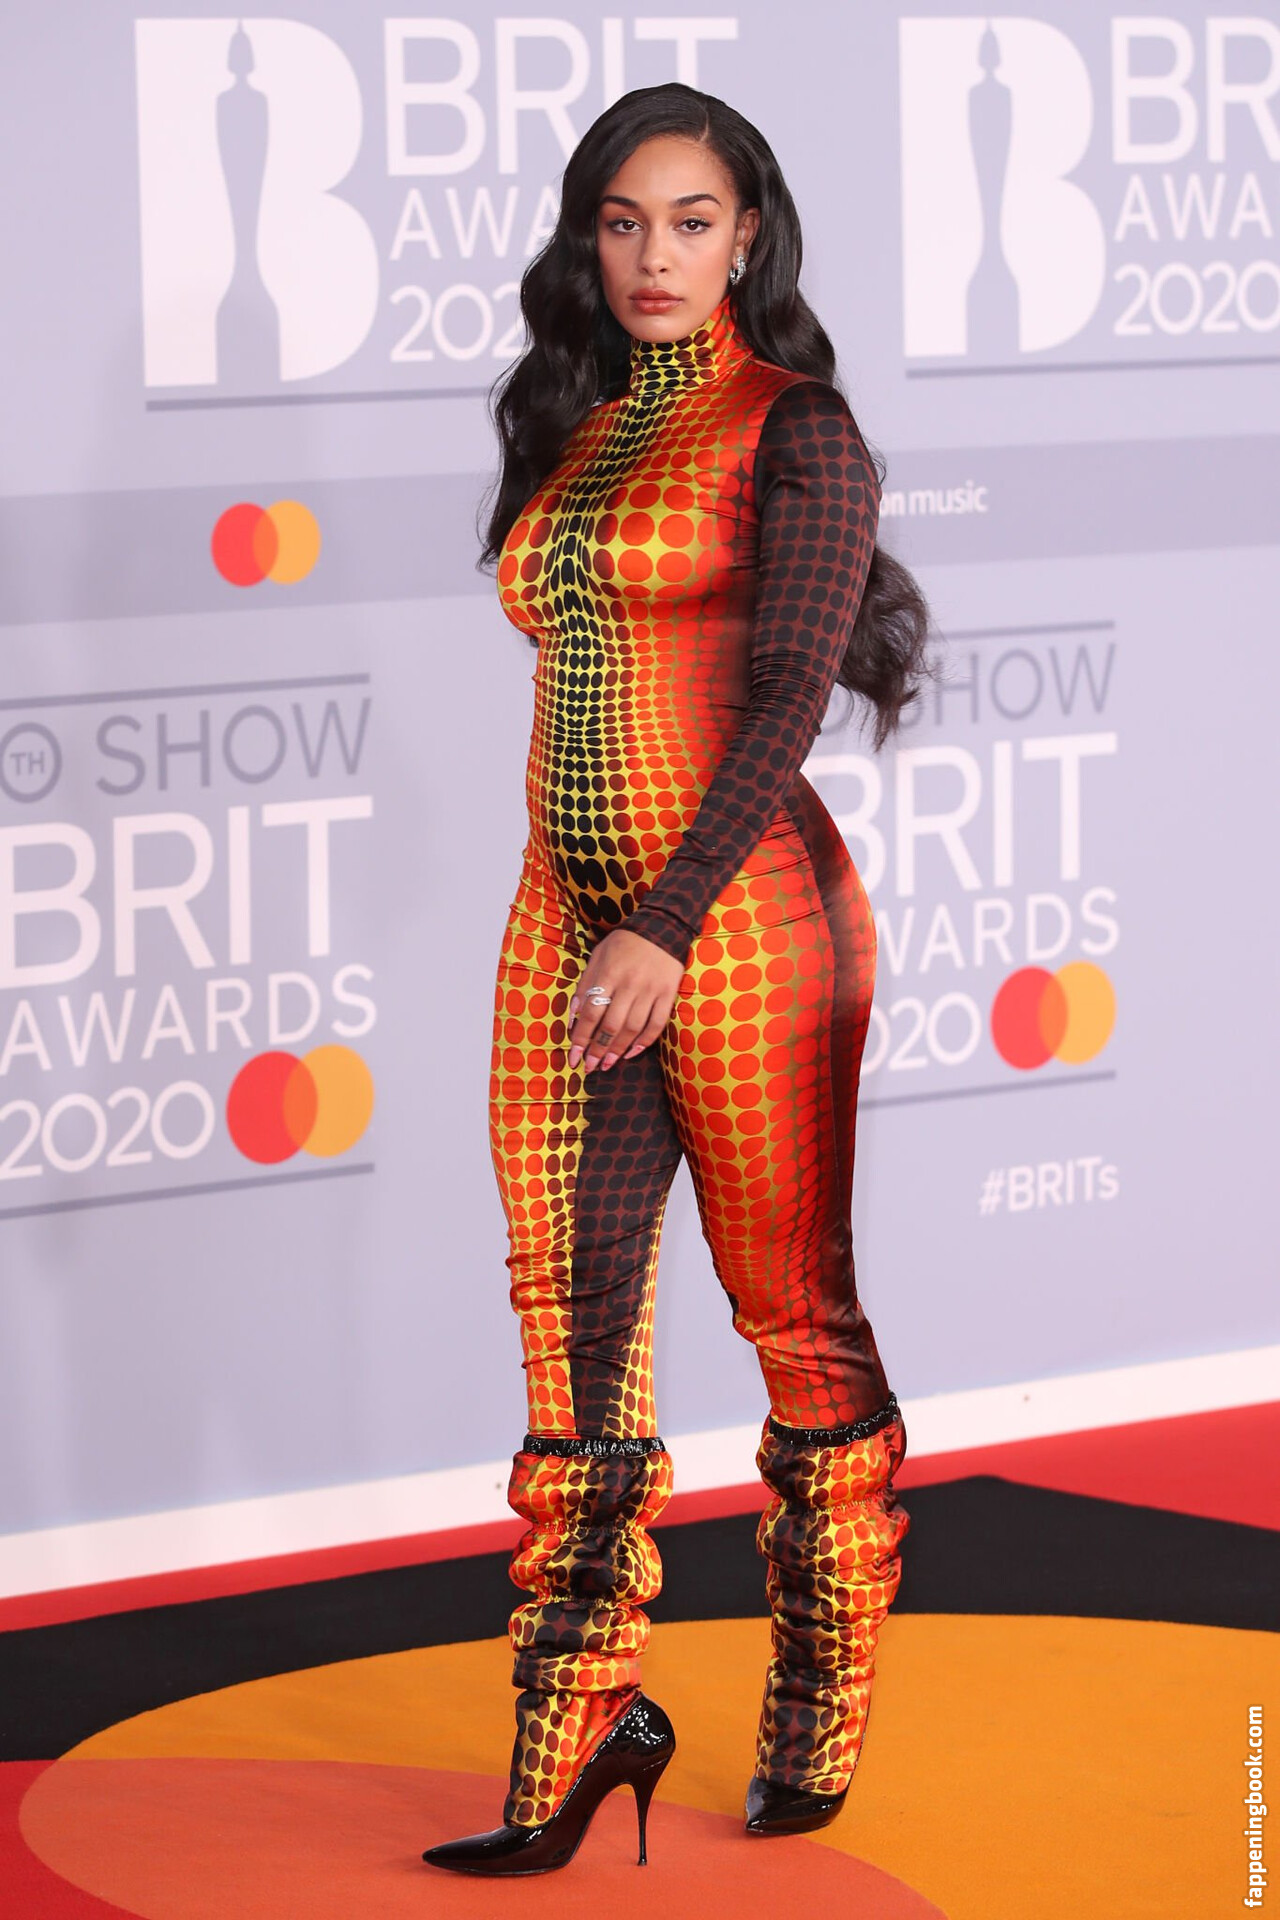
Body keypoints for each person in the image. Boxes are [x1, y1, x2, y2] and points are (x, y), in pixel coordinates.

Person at [423, 80, 932, 1878]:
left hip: (741, 923)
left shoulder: (796, 426)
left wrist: (665, 919)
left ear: (749, 236)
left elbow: (787, 690)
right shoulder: (570, 422)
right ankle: (577, 1728)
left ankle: (823, 1681)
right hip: (560, 927)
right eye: (624, 221)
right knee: (568, 1328)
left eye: (693, 222)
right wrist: (603, 923)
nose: (655, 255)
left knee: (790, 1312)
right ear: (590, 237)